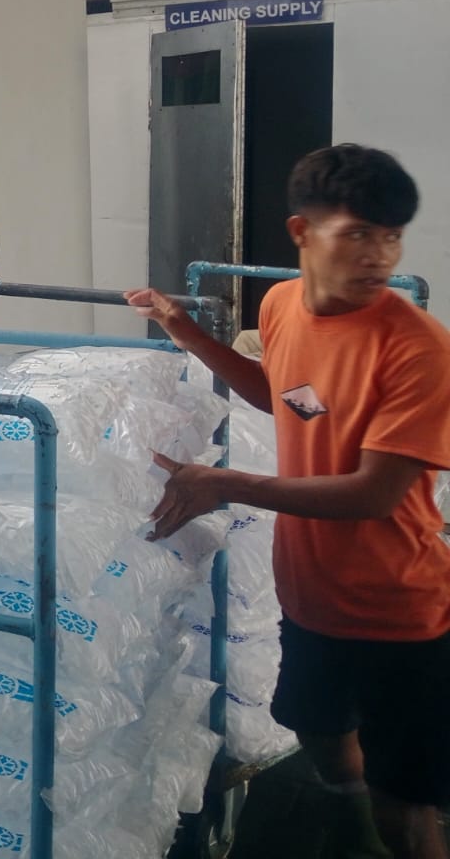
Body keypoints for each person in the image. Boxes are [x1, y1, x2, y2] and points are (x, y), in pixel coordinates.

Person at [128, 145, 450, 859]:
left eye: (391, 236)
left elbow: (376, 493)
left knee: (411, 805)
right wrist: (184, 331)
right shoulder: (280, 307)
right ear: (302, 233)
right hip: (308, 593)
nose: (379, 255)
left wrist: (225, 485)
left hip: (398, 609)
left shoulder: (417, 348)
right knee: (319, 730)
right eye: (358, 234)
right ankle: (345, 818)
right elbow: (284, 400)